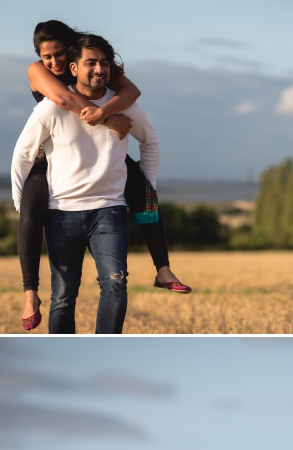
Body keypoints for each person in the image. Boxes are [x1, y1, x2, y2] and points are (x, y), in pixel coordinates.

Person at [17, 20, 189, 332]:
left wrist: (108, 109)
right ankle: (30, 293)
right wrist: (106, 117)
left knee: (148, 197)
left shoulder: (94, 67)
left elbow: (132, 91)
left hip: (105, 174)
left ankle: (162, 269)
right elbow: (67, 101)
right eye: (48, 57)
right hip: (54, 160)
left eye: (58, 54)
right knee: (28, 213)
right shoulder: (39, 72)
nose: (53, 63)